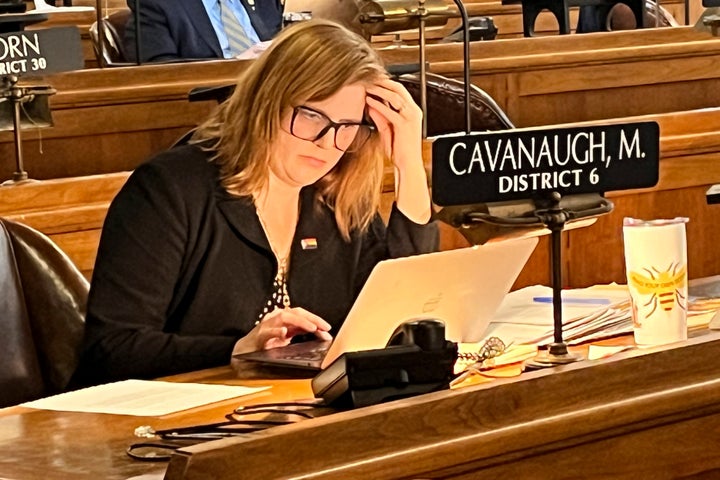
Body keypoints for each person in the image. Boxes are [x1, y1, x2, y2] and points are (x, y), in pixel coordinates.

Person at [72, 19, 439, 386]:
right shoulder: (169, 189)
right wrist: (237, 349)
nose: (328, 143)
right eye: (312, 116)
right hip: (162, 424)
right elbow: (112, 349)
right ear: (268, 102)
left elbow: (401, 317)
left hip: (289, 413)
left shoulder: (339, 197)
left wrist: (408, 162)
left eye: (348, 126)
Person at [123, 0, 284, 63]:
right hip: (211, 111)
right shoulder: (155, 4)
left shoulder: (265, 2)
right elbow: (155, 72)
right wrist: (232, 64)